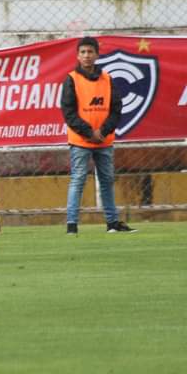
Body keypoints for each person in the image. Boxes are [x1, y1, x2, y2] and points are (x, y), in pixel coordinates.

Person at [60, 36, 137, 235]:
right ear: (77, 55)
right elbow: (69, 112)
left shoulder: (108, 79)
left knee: (107, 179)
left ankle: (112, 223)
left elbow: (116, 109)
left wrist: (102, 132)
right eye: (83, 52)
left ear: (97, 54)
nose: (87, 56)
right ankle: (72, 225)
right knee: (78, 179)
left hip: (104, 140)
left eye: (90, 52)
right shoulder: (71, 79)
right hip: (80, 141)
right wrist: (89, 133)